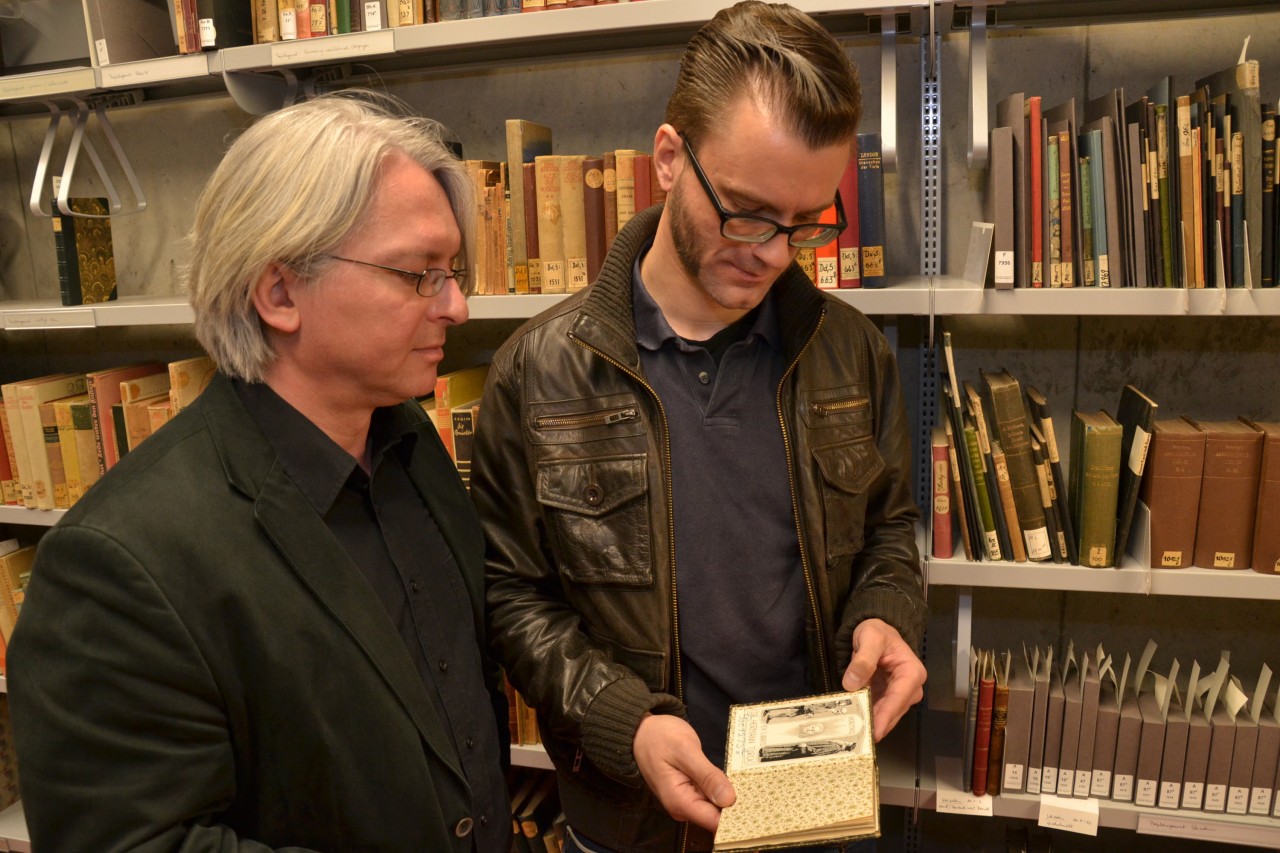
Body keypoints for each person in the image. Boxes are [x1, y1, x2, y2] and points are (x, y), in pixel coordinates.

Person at [471, 2, 928, 851]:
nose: (773, 252)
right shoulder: (536, 373)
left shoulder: (852, 352)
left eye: (805, 223)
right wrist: (621, 720)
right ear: (671, 158)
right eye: (749, 212)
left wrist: (886, 612)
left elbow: (890, 527)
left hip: (813, 800)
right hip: (634, 818)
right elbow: (511, 595)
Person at [7, 92, 512, 852]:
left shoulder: (406, 442)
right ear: (279, 292)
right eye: (420, 274)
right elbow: (134, 842)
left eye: (452, 271)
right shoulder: (119, 564)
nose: (459, 306)